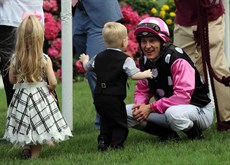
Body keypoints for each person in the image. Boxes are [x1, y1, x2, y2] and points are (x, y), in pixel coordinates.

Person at [126, 17, 214, 140]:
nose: (147, 46)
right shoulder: (144, 61)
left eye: (152, 41)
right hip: (166, 109)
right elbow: (142, 90)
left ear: (163, 41)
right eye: (144, 41)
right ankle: (168, 135)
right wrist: (140, 106)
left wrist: (150, 107)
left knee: (173, 113)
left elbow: (182, 96)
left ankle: (195, 134)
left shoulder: (177, 59)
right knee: (126, 112)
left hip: (198, 110)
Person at [3, 15, 72, 159]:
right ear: (40, 37)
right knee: (38, 123)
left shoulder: (15, 58)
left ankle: (26, 148)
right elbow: (53, 82)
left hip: (21, 95)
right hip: (39, 95)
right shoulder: (44, 59)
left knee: (24, 121)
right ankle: (34, 156)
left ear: (20, 37)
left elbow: (11, 80)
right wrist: (49, 89)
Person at [80, 22, 153, 151]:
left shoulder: (98, 57)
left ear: (104, 40)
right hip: (114, 97)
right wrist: (146, 73)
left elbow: (87, 67)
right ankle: (116, 145)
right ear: (124, 42)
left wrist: (85, 59)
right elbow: (134, 75)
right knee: (119, 122)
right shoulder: (125, 59)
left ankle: (103, 141)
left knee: (105, 119)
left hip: (99, 96)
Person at [173, 0, 230, 131]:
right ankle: (196, 115)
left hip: (210, 18)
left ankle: (227, 119)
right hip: (184, 20)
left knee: (217, 67)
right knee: (185, 70)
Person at [72, 0, 123, 130]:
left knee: (95, 69)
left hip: (102, 14)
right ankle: (106, 115)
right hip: (78, 12)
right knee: (89, 69)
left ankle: (105, 120)